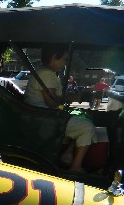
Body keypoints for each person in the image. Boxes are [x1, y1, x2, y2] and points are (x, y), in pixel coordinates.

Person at [24, 44, 96, 172]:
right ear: (54, 58)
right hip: (47, 118)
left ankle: (68, 153)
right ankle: (75, 167)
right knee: (88, 126)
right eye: (65, 59)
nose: (65, 63)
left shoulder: (45, 72)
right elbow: (52, 102)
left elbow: (54, 99)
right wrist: (70, 98)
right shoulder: (47, 74)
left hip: (44, 116)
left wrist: (72, 98)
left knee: (82, 117)